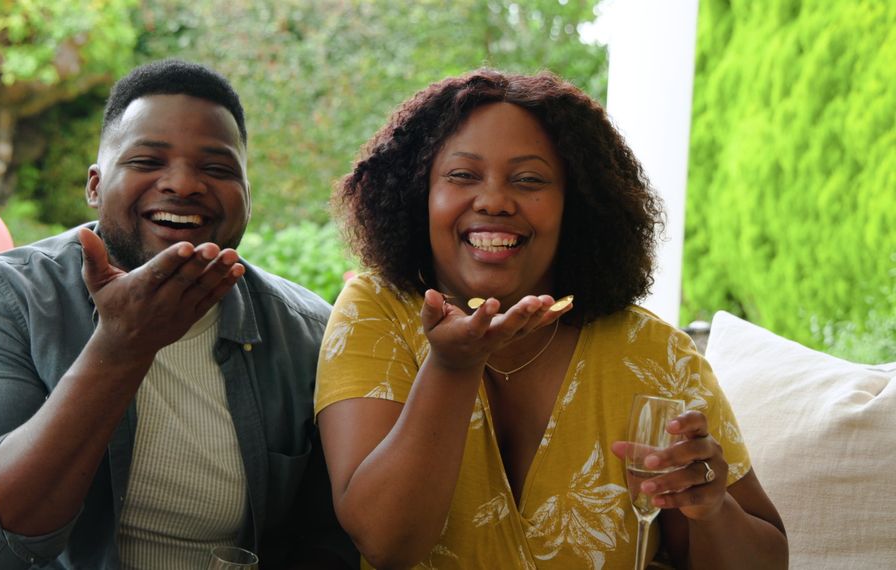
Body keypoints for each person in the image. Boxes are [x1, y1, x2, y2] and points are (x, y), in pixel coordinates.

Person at [315, 69, 788, 569]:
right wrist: (452, 368)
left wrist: (710, 510)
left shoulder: (654, 353)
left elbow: (765, 560)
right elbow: (386, 542)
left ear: (577, 206)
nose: (495, 200)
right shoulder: (378, 310)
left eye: (530, 180)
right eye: (462, 175)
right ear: (418, 195)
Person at [0, 59, 355, 569]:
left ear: (247, 197)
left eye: (216, 169)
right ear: (94, 185)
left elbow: (329, 543)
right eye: (148, 161)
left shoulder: (307, 333)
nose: (183, 184)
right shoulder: (5, 297)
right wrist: (121, 345)